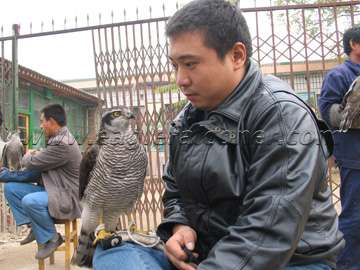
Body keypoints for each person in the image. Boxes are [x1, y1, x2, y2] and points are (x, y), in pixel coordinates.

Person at [93, 0, 344, 269]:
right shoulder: (186, 120)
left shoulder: (282, 117)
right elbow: (175, 188)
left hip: (286, 260)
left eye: (190, 64)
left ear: (237, 56)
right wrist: (181, 226)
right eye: (176, 65)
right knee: (111, 252)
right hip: (208, 253)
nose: (180, 79)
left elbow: (268, 231)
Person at [2, 104, 82, 259]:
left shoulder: (63, 143)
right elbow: (36, 169)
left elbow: (30, 163)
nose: (40, 125)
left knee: (29, 201)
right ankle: (33, 226)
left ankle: (53, 238)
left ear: (51, 121)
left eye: (42, 121)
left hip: (66, 196)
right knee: (11, 188)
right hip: (52, 189)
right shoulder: (56, 139)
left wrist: (28, 154)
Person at [318, 25, 360, 270]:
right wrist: (352, 109)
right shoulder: (339, 75)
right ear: (354, 44)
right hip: (355, 159)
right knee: (355, 218)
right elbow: (328, 111)